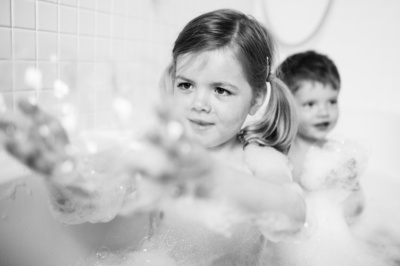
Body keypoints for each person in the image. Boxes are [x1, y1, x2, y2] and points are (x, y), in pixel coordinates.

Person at [0, 9, 305, 266]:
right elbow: (88, 201)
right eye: (186, 85)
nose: (199, 103)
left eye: (221, 90)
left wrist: (212, 175)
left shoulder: (257, 156)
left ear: (256, 98)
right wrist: (60, 172)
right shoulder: (160, 149)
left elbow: (292, 211)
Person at [264, 50, 396, 266]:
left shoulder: (336, 152)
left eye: (332, 101)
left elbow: (355, 212)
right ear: (286, 105)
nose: (324, 112)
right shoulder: (280, 154)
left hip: (332, 240)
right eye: (310, 104)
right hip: (296, 247)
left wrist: (350, 184)